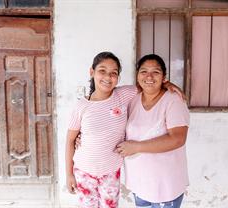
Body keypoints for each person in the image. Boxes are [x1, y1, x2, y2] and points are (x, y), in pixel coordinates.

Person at [65, 52, 182, 208]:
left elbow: (147, 84)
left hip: (111, 171)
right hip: (84, 171)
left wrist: (167, 84)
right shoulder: (81, 106)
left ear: (118, 77)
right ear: (91, 72)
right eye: (102, 71)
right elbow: (70, 141)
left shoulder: (123, 94)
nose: (108, 77)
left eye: (114, 73)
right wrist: (69, 174)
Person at [115, 54, 190, 208]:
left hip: (165, 184)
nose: (149, 76)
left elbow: (178, 139)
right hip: (140, 181)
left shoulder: (173, 100)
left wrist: (136, 147)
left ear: (164, 77)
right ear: (137, 76)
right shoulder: (133, 100)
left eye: (155, 72)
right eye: (143, 71)